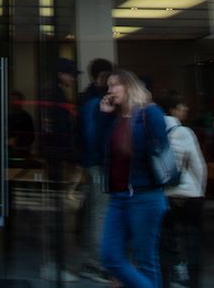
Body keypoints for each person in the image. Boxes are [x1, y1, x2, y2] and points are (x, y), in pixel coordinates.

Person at [90, 68, 169, 288]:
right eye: (108, 86)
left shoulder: (149, 113)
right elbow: (99, 150)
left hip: (145, 195)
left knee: (145, 260)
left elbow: (160, 149)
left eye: (115, 85)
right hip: (118, 196)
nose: (111, 90)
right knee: (110, 257)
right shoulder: (115, 118)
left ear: (129, 86)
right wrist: (104, 116)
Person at [158, 92, 206, 288]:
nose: (185, 109)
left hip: (163, 194)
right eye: (180, 106)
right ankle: (193, 282)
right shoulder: (184, 132)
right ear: (172, 110)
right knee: (192, 241)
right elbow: (198, 165)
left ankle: (165, 281)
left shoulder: (153, 131)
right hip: (189, 194)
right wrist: (200, 189)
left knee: (165, 242)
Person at [76, 58, 114, 281]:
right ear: (101, 77)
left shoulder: (91, 99)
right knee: (98, 213)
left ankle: (94, 261)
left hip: (96, 164)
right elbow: (92, 137)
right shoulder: (94, 103)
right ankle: (94, 263)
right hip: (98, 165)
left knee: (95, 212)